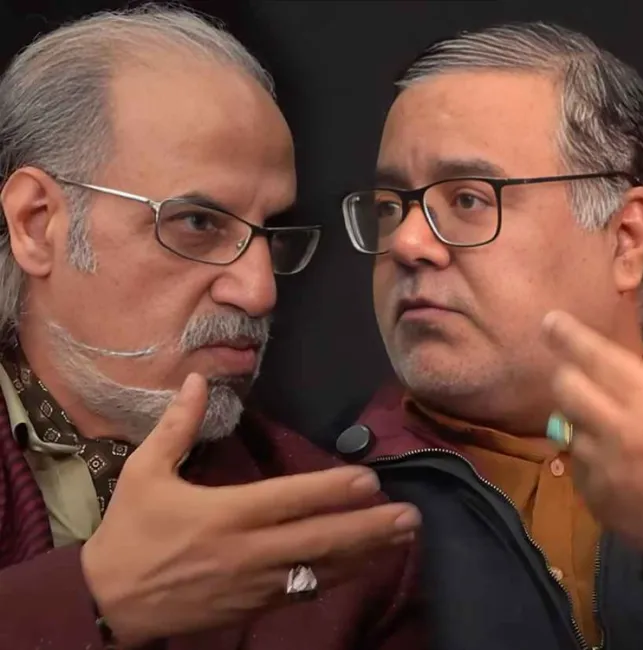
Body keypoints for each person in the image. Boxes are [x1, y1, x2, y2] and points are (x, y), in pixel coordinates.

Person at [0, 5, 424, 650]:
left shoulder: (344, 543)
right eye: (198, 223)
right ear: (37, 224)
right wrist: (94, 600)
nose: (259, 291)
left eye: (270, 232)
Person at [338, 21, 643, 650]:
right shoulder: (312, 510)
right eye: (390, 206)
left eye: (469, 199)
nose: (406, 243)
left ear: (626, 240)